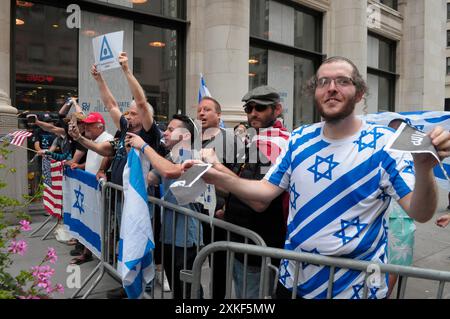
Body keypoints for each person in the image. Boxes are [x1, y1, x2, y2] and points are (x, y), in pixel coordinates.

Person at [194, 56, 450, 299]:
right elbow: (265, 191)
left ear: (360, 93)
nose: (331, 88)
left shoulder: (387, 144)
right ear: (315, 93)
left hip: (354, 289)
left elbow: (421, 212)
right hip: (293, 283)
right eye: (323, 82)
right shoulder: (299, 139)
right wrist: (217, 176)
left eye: (343, 81)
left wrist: (424, 169)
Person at [68, 52, 161, 299]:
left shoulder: (150, 134)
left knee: (140, 242)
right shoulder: (123, 132)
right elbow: (108, 113)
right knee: (127, 241)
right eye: (127, 114)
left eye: (132, 113)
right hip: (122, 198)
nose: (128, 116)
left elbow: (141, 102)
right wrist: (80, 138)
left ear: (143, 116)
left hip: (140, 200)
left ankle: (144, 289)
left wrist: (126, 71)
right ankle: (130, 285)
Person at [201, 86, 290, 298]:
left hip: (259, 243)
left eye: (259, 107)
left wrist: (215, 168)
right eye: (249, 108)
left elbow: (259, 201)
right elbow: (238, 183)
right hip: (244, 240)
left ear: (277, 109)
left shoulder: (276, 144)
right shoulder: (257, 140)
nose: (253, 113)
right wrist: (209, 169)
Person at [126, 114, 203, 299]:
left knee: (189, 291)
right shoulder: (169, 156)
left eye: (170, 129)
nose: (165, 133)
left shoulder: (193, 157)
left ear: (185, 136)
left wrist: (143, 147)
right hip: (168, 235)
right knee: (178, 288)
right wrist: (134, 155)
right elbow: (149, 178)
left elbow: (169, 171)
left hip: (186, 237)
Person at [197, 96, 245, 298]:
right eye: (199, 110)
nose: (201, 113)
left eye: (207, 110)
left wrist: (226, 206)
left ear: (218, 115)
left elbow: (239, 179)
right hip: (196, 210)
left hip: (219, 214)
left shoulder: (231, 140)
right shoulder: (192, 139)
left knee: (218, 265)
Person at [384, 119, 417, 298]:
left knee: (389, 265)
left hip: (399, 217)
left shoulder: (411, 155)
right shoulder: (405, 155)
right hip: (397, 217)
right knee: (393, 266)